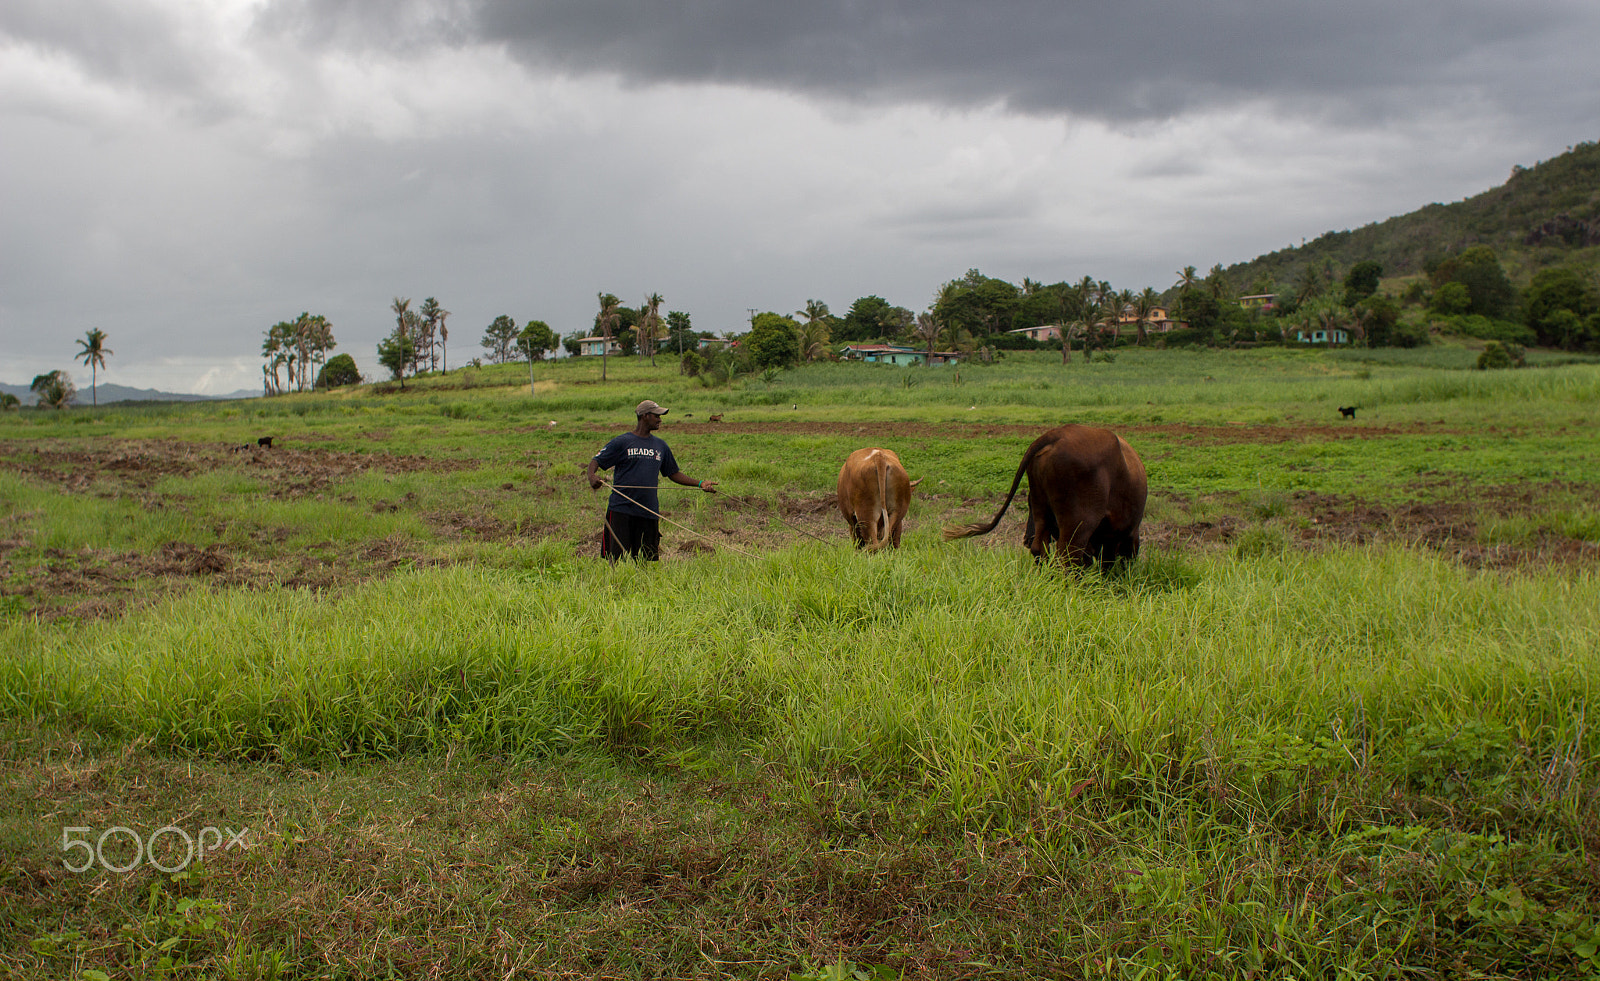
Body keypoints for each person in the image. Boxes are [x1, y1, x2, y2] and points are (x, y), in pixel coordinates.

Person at [586, 399, 717, 561]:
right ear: (645, 416)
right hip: (621, 509)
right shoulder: (622, 442)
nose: (660, 419)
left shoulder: (660, 446)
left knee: (645, 559)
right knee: (616, 559)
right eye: (657, 416)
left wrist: (700, 483)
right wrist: (592, 476)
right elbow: (595, 461)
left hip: (648, 510)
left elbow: (673, 473)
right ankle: (615, 585)